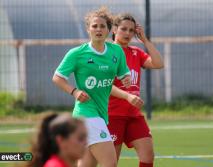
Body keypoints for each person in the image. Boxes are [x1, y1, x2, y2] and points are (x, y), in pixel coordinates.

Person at [52, 7, 131, 167]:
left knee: (87, 164)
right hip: (86, 114)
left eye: (103, 26)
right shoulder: (77, 53)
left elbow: (124, 74)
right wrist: (74, 91)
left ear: (109, 30)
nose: (98, 29)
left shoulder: (116, 51)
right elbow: (57, 78)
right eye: (94, 26)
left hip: (101, 114)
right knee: (110, 163)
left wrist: (127, 79)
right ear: (88, 29)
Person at [108, 13, 164, 167]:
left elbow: (159, 64)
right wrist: (127, 96)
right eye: (123, 29)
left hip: (134, 115)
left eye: (131, 30)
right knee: (111, 162)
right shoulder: (106, 53)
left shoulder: (136, 52)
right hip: (112, 115)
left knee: (148, 156)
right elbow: (104, 84)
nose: (127, 33)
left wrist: (145, 40)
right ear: (114, 29)